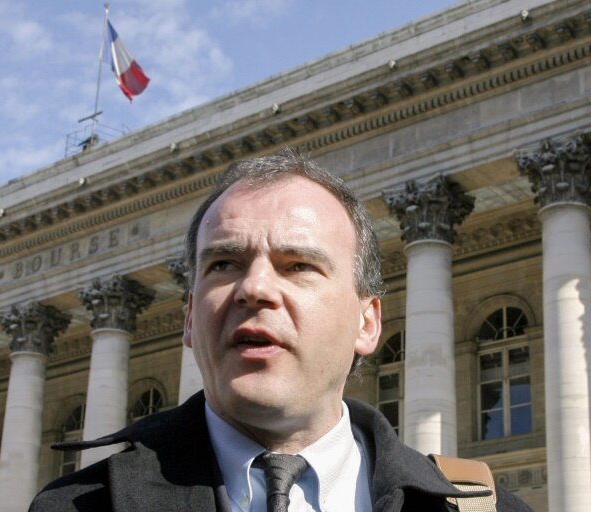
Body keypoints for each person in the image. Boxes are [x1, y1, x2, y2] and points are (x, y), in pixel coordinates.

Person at [30, 150, 532, 511]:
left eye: (297, 266)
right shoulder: (76, 505)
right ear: (188, 318)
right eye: (224, 263)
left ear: (367, 321)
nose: (254, 288)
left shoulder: (484, 510)